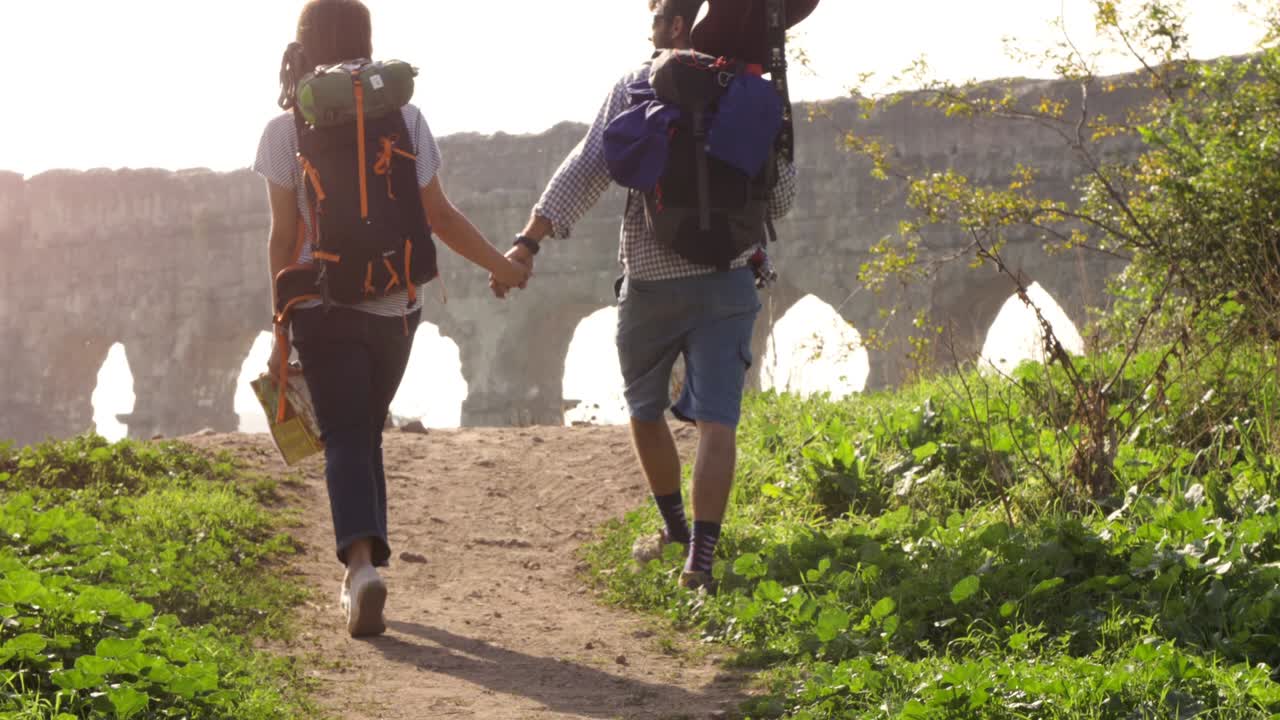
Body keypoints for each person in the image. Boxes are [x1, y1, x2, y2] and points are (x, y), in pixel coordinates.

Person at [495, 0, 797, 590]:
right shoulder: (752, 88)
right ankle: (700, 561)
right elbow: (781, 200)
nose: (649, 29)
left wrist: (528, 242)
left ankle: (675, 527)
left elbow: (588, 167)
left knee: (644, 409)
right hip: (729, 278)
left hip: (651, 279)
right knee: (718, 423)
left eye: (656, 17)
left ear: (679, 24)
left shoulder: (638, 83)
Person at [255, 0, 530, 637]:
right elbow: (440, 216)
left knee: (346, 434)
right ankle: (367, 561)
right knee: (363, 429)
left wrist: (279, 324)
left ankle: (360, 568)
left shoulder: (283, 130)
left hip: (321, 306)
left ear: (304, 45)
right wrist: (502, 265)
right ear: (368, 42)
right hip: (395, 307)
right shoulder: (406, 116)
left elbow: (283, 238)